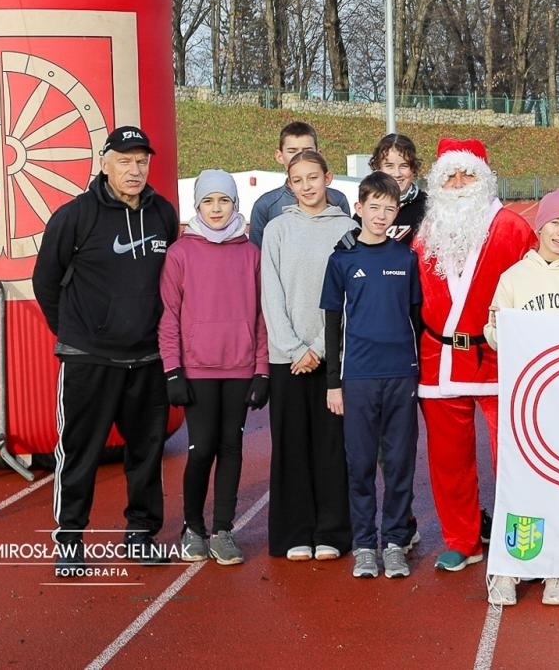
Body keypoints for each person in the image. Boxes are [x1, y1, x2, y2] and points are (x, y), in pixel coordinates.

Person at [31, 125, 180, 577]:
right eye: (124, 161)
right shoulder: (74, 216)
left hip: (148, 359)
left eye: (141, 161)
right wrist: (76, 333)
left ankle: (140, 536)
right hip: (89, 359)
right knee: (79, 451)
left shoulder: (163, 214)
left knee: (146, 453)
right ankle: (70, 539)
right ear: (104, 163)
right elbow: (45, 281)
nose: (134, 170)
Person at [413, 138, 537, 572]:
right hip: (438, 358)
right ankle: (461, 539)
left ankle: (519, 537)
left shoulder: (513, 228)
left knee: (515, 454)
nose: (459, 183)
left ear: (484, 179)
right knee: (448, 461)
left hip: (499, 357)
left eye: (468, 174)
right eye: (450, 175)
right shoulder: (425, 234)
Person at [483, 188, 559, 608]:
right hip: (524, 396)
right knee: (521, 482)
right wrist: (504, 333)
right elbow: (493, 331)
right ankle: (510, 566)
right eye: (555, 222)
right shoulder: (514, 278)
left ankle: (558, 565)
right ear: (540, 226)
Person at [159, 169, 268, 567]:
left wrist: (262, 371)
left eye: (224, 201)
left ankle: (223, 529)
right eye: (209, 201)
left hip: (239, 368)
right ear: (198, 206)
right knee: (200, 448)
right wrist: (173, 370)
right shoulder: (180, 254)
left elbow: (260, 317)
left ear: (235, 205)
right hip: (197, 370)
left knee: (231, 448)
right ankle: (193, 527)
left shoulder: (251, 253)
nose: (217, 208)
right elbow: (169, 316)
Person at [320, 171, 424, 581]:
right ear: (359, 209)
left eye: (389, 208)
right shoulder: (341, 260)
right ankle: (365, 544)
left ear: (397, 211)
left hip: (401, 375)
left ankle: (395, 541)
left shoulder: (405, 258)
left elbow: (415, 318)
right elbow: (333, 325)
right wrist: (333, 381)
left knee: (399, 463)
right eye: (374, 207)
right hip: (358, 377)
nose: (381, 215)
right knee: (360, 463)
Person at [260, 149, 356, 561]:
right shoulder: (277, 230)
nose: (306, 186)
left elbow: (350, 297)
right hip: (287, 357)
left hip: (331, 357)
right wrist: (295, 348)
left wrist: (318, 348)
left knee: (331, 448)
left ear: (328, 178)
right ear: (288, 184)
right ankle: (293, 531)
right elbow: (271, 293)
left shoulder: (349, 229)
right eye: (297, 180)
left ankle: (332, 531)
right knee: (290, 447)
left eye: (312, 177)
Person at [248, 120, 350, 245]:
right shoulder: (265, 205)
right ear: (279, 156)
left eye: (307, 151)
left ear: (319, 154)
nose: (300, 156)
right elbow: (258, 257)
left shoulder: (338, 200)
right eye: (292, 151)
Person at [369, 132, 427, 243]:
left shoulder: (428, 208)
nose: (397, 173)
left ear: (414, 169)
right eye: (389, 166)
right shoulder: (367, 206)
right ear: (378, 167)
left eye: (404, 166)